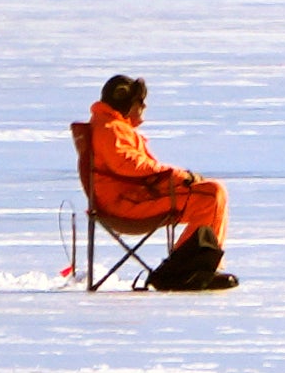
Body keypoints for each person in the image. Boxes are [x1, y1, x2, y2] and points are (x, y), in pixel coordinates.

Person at [86, 75, 239, 292]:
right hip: (126, 204)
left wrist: (180, 180)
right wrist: (177, 176)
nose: (144, 107)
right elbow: (129, 165)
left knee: (209, 192)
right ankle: (184, 272)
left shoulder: (111, 126)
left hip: (133, 197)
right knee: (211, 195)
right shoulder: (110, 128)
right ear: (126, 102)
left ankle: (198, 268)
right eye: (140, 101)